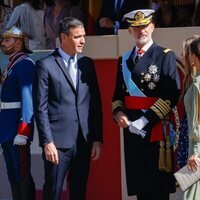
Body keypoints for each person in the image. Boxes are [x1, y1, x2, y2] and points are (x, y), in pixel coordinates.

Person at [112, 9, 180, 200]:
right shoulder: (123, 60)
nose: (141, 30)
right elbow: (117, 96)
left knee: (157, 189)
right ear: (129, 31)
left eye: (144, 26)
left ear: (153, 27)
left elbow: (171, 95)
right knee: (141, 188)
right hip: (132, 132)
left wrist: (144, 121)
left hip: (156, 130)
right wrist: (119, 114)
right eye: (136, 27)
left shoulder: (165, 55)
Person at [33, 17, 103, 200]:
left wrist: (96, 138)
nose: (83, 41)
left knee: (79, 191)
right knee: (53, 192)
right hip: (57, 143)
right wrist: (47, 142)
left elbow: (95, 103)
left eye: (83, 36)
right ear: (63, 37)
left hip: (83, 141)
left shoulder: (87, 64)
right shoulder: (45, 65)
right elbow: (40, 108)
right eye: (77, 36)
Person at [0, 26, 35, 200]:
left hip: (16, 130)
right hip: (6, 129)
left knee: (22, 174)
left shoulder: (25, 64)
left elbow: (27, 99)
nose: (3, 43)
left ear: (18, 42)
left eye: (7, 40)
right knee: (13, 175)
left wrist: (23, 131)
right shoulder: (12, 64)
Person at [182, 37, 200, 200]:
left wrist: (195, 153)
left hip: (196, 150)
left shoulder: (197, 84)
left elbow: (197, 123)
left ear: (193, 56)